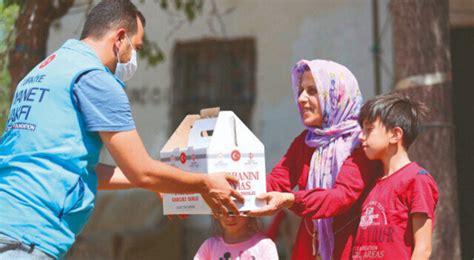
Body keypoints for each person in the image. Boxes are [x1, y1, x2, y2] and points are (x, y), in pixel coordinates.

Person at [0, 1, 242, 259]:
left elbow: (78, 170)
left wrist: (158, 183)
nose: (132, 58)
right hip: (28, 240)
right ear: (120, 38)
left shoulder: (43, 73)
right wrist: (204, 183)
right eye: (135, 48)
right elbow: (141, 171)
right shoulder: (95, 79)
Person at [248, 59, 381, 259]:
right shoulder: (306, 141)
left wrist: (291, 200)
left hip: (352, 248)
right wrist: (228, 189)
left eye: (312, 91)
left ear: (336, 95)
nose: (301, 98)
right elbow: (276, 181)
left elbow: (341, 197)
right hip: (310, 248)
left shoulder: (360, 142)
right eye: (301, 90)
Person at [351, 94, 438, 259]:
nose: (361, 136)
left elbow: (423, 248)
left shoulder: (417, 179)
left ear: (395, 135)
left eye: (369, 129)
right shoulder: (371, 183)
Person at [194, 213, 278, 260]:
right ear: (215, 213)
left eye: (236, 210)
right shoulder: (210, 246)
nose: (230, 218)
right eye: (223, 211)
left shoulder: (264, 245)